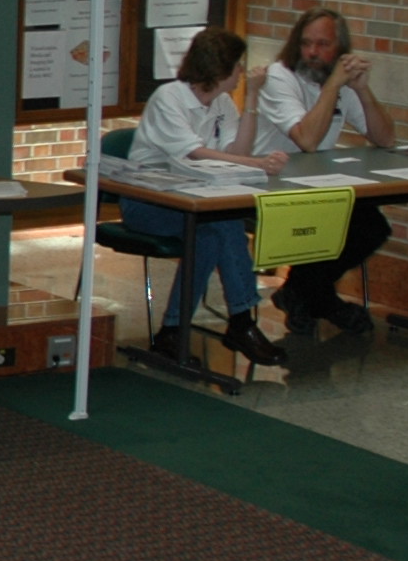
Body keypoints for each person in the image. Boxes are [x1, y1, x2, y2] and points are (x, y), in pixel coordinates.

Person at [122, 26, 288, 367]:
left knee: (211, 235)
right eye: (238, 65)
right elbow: (194, 153)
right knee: (222, 224)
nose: (242, 71)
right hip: (149, 202)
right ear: (219, 68)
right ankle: (241, 322)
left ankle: (174, 331)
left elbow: (237, 152)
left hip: (196, 200)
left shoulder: (222, 102)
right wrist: (257, 164)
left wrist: (252, 100)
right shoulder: (169, 97)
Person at [251, 7, 394, 336]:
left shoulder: (340, 81)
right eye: (306, 43)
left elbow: (386, 138)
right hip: (270, 184)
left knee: (372, 226)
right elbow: (307, 140)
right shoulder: (279, 78)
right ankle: (321, 300)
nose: (312, 52)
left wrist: (362, 90)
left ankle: (300, 291)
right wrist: (333, 85)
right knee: (334, 224)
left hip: (317, 185)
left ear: (340, 49)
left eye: (322, 44)